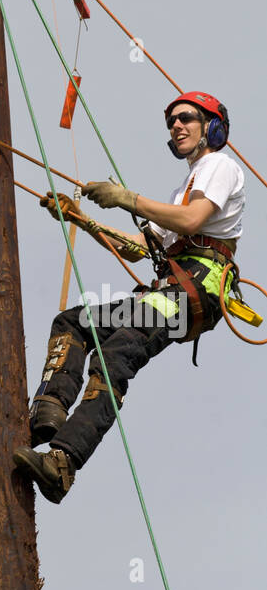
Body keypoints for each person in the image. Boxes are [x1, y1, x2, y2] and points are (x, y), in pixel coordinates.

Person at [13, 92, 244, 503]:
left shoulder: (219, 167)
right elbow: (136, 247)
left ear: (212, 126)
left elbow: (192, 220)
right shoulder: (183, 188)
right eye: (171, 121)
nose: (176, 126)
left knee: (116, 353)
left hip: (195, 289)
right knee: (75, 323)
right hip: (173, 293)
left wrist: (128, 198)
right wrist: (81, 220)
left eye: (186, 118)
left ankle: (63, 464)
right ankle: (49, 411)